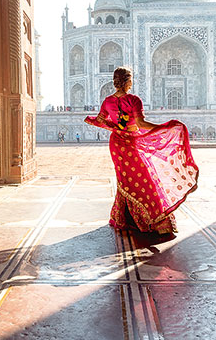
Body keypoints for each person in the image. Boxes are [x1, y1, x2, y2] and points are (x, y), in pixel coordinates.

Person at [84, 67, 199, 237]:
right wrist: (162, 127)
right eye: (131, 79)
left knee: (127, 180)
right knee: (143, 177)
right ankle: (151, 219)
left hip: (117, 143)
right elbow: (141, 124)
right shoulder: (133, 100)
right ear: (128, 81)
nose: (132, 82)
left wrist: (115, 127)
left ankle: (127, 218)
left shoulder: (107, 101)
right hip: (131, 141)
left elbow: (100, 120)